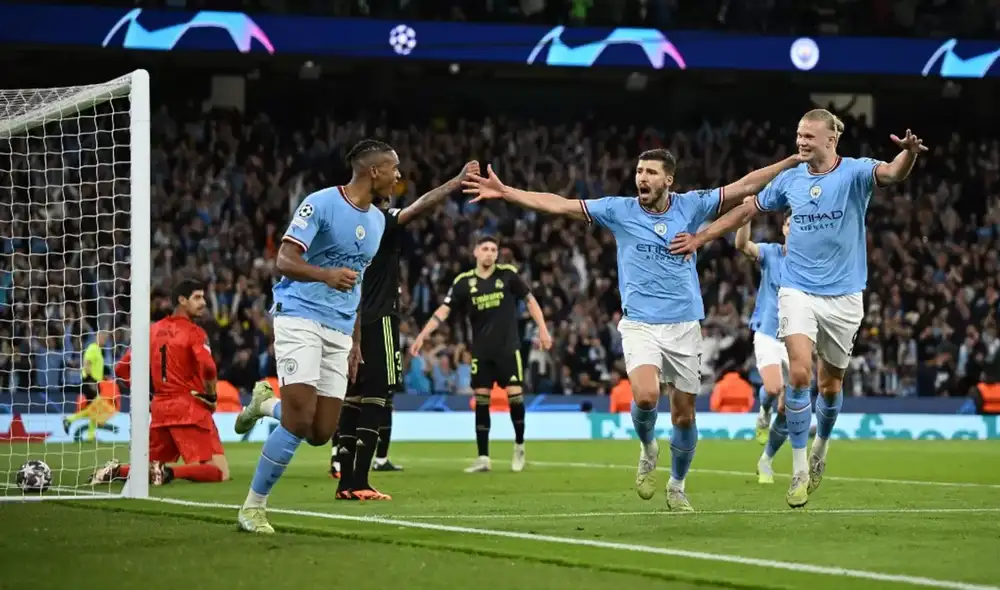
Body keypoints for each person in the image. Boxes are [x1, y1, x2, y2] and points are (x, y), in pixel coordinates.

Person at [462, 150, 801, 510]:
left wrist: (788, 164)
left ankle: (677, 484)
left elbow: (743, 186)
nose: (642, 177)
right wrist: (509, 192)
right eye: (639, 170)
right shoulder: (619, 209)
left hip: (684, 324)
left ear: (668, 180)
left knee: (684, 414)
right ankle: (648, 447)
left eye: (651, 172)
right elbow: (560, 205)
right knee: (645, 397)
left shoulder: (691, 206)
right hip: (640, 323)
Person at [669, 110, 926, 507]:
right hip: (798, 290)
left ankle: (821, 445)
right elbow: (747, 210)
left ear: (830, 139)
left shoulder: (856, 172)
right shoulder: (789, 180)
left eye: (808, 136)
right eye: (798, 135)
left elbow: (893, 174)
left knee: (830, 385)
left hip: (844, 297)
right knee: (800, 375)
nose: (801, 142)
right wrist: (702, 237)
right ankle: (799, 468)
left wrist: (908, 154)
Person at [235, 139, 397, 534]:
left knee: (321, 433)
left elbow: (356, 285)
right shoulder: (321, 203)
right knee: (297, 421)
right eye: (393, 168)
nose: (398, 176)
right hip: (300, 317)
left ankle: (264, 403)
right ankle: (252, 508)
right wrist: (325, 275)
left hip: (341, 329)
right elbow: (284, 260)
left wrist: (356, 341)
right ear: (373, 170)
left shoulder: (376, 220)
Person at [327, 160, 480, 500]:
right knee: (377, 397)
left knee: (353, 398)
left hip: (349, 319)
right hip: (379, 318)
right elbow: (419, 206)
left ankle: (346, 482)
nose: (397, 178)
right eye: (392, 172)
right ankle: (360, 481)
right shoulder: (381, 221)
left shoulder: (346, 223)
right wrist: (455, 181)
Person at [410, 235, 553, 473]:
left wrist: (543, 329)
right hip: (482, 351)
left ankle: (519, 446)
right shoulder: (464, 282)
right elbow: (444, 310)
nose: (490, 253)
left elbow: (530, 300)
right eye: (485, 248)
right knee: (482, 401)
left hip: (508, 349)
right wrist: (423, 334)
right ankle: (483, 457)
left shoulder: (507, 275)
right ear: (476, 252)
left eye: (494, 249)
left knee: (515, 398)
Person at [89, 279, 230, 486]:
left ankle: (115, 471)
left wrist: (145, 395)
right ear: (182, 300)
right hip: (189, 408)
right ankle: (169, 474)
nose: (204, 302)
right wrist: (211, 395)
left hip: (160, 410)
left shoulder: (152, 331)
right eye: (197, 297)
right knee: (219, 472)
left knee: (148, 467)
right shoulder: (195, 333)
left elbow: (121, 369)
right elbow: (209, 368)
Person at [733, 209, 791, 484]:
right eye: (791, 224)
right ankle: (763, 412)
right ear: (784, 228)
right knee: (773, 388)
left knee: (788, 408)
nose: (796, 229)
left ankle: (766, 460)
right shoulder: (772, 254)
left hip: (797, 340)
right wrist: (746, 216)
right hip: (768, 333)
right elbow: (742, 245)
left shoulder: (812, 263)